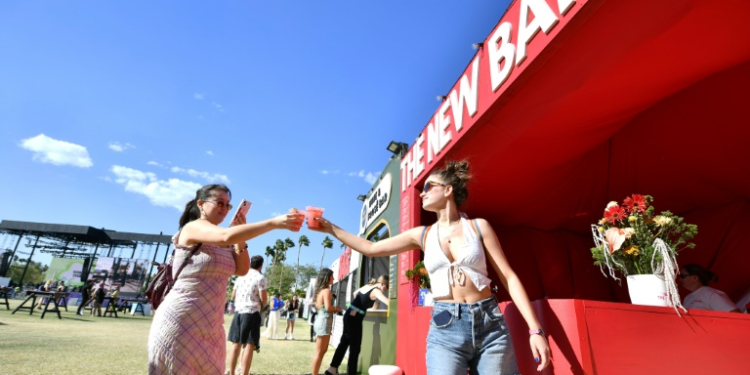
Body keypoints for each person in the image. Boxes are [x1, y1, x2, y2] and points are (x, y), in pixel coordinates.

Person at [310, 160, 551, 374]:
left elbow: (509, 277)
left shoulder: (479, 227)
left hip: (491, 325)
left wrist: (535, 331)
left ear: (448, 190)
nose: (421, 194)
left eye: (428, 187)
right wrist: (332, 228)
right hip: (446, 327)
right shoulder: (422, 235)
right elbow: (371, 248)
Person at [147, 184, 303, 375]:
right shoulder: (193, 227)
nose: (224, 208)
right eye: (219, 203)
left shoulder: (224, 236)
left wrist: (240, 234)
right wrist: (274, 223)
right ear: (201, 204)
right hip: (181, 322)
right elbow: (225, 236)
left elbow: (242, 269)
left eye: (228, 205)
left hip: (212, 327)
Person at [325, 275, 390, 375]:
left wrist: (362, 307)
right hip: (355, 319)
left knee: (344, 342)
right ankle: (351, 372)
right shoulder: (377, 290)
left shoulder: (367, 286)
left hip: (349, 314)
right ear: (382, 283)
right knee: (355, 347)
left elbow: (355, 293)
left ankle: (332, 368)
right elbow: (387, 301)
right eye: (386, 288)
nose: (385, 290)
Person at [227, 255, 268, 375]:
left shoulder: (241, 277)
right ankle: (244, 373)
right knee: (250, 345)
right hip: (252, 312)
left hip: (239, 312)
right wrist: (262, 305)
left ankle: (232, 372)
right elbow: (264, 299)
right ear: (261, 265)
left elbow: (233, 295)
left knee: (236, 344)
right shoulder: (260, 278)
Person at [311, 268, 341, 375]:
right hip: (324, 322)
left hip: (321, 321)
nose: (334, 278)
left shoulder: (320, 291)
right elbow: (328, 308)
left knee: (321, 351)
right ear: (327, 278)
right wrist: (337, 308)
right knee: (319, 352)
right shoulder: (327, 291)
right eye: (332, 276)